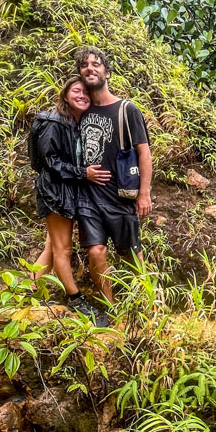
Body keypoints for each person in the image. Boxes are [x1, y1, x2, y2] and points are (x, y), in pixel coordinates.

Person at [73, 45, 153, 307]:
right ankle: (111, 309)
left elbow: (144, 153)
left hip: (121, 196)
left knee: (131, 255)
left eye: (96, 64)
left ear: (106, 72)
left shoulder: (126, 109)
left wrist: (144, 194)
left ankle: (149, 305)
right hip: (88, 198)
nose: (90, 68)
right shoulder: (80, 111)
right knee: (96, 252)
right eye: (84, 65)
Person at [31, 77, 97, 317]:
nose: (82, 95)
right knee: (63, 250)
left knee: (52, 246)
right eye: (76, 91)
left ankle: (28, 288)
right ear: (66, 95)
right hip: (55, 191)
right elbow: (49, 161)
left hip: (67, 190)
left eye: (86, 93)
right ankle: (75, 297)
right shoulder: (54, 121)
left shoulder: (76, 124)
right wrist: (83, 173)